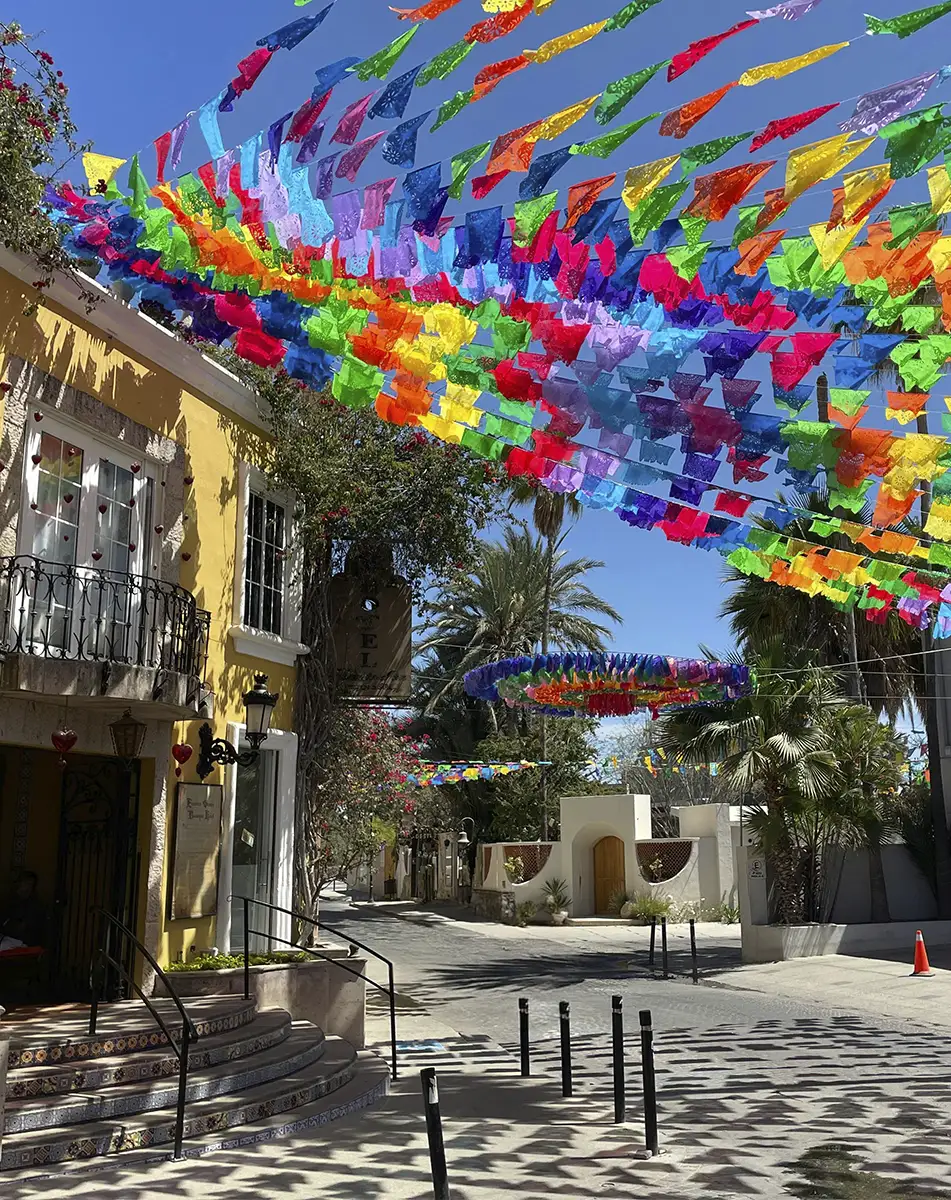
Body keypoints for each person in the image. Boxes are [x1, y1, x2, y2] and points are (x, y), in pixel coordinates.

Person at [0, 871, 46, 952]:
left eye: (30, 884)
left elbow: (22, 928)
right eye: (25, 883)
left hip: (24, 941)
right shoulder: (11, 900)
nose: (27, 887)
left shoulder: (35, 905)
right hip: (8, 937)